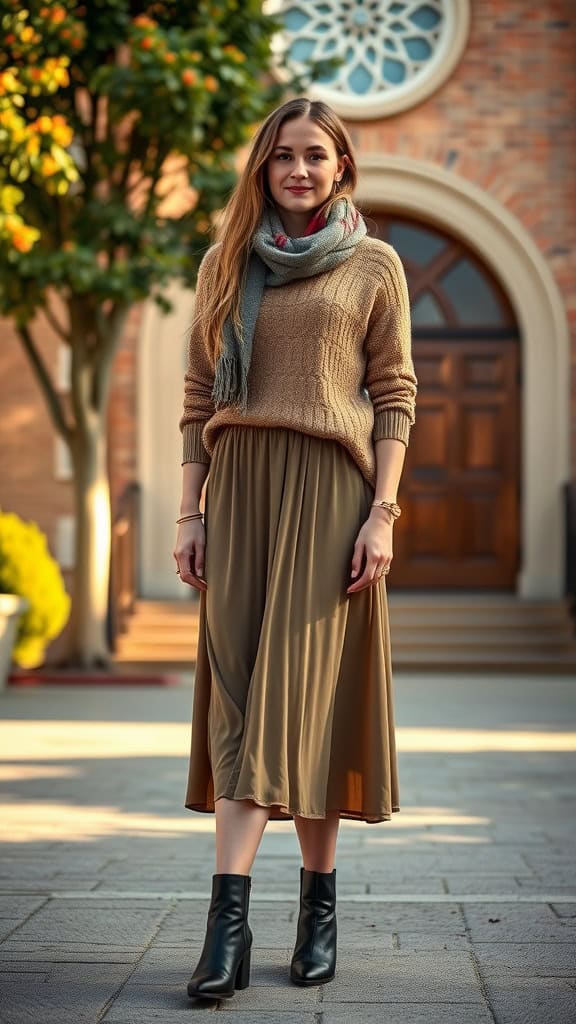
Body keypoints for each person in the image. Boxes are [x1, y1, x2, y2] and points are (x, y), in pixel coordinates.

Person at [174, 96, 417, 1001]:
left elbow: (394, 395)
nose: (300, 170)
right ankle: (229, 926)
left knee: (305, 701)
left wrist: (382, 514)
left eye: (316, 155)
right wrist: (189, 512)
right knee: (241, 696)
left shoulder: (376, 266)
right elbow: (199, 396)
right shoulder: (224, 265)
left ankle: (314, 909)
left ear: (342, 166)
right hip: (238, 496)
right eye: (284, 156)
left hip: (329, 495)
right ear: (262, 168)